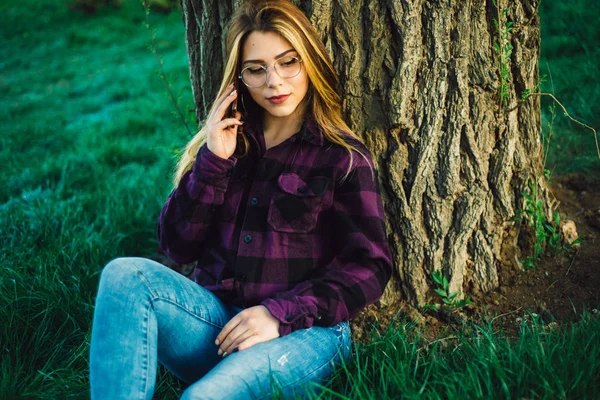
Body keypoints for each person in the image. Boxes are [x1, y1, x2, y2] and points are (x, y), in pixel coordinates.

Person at [89, 0, 392, 398]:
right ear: (240, 78)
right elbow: (176, 245)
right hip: (217, 325)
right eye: (256, 69)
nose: (274, 81)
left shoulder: (342, 158)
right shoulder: (228, 146)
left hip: (303, 335)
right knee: (125, 276)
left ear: (311, 62)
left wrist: (277, 314)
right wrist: (213, 160)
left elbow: (369, 267)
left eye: (288, 62)